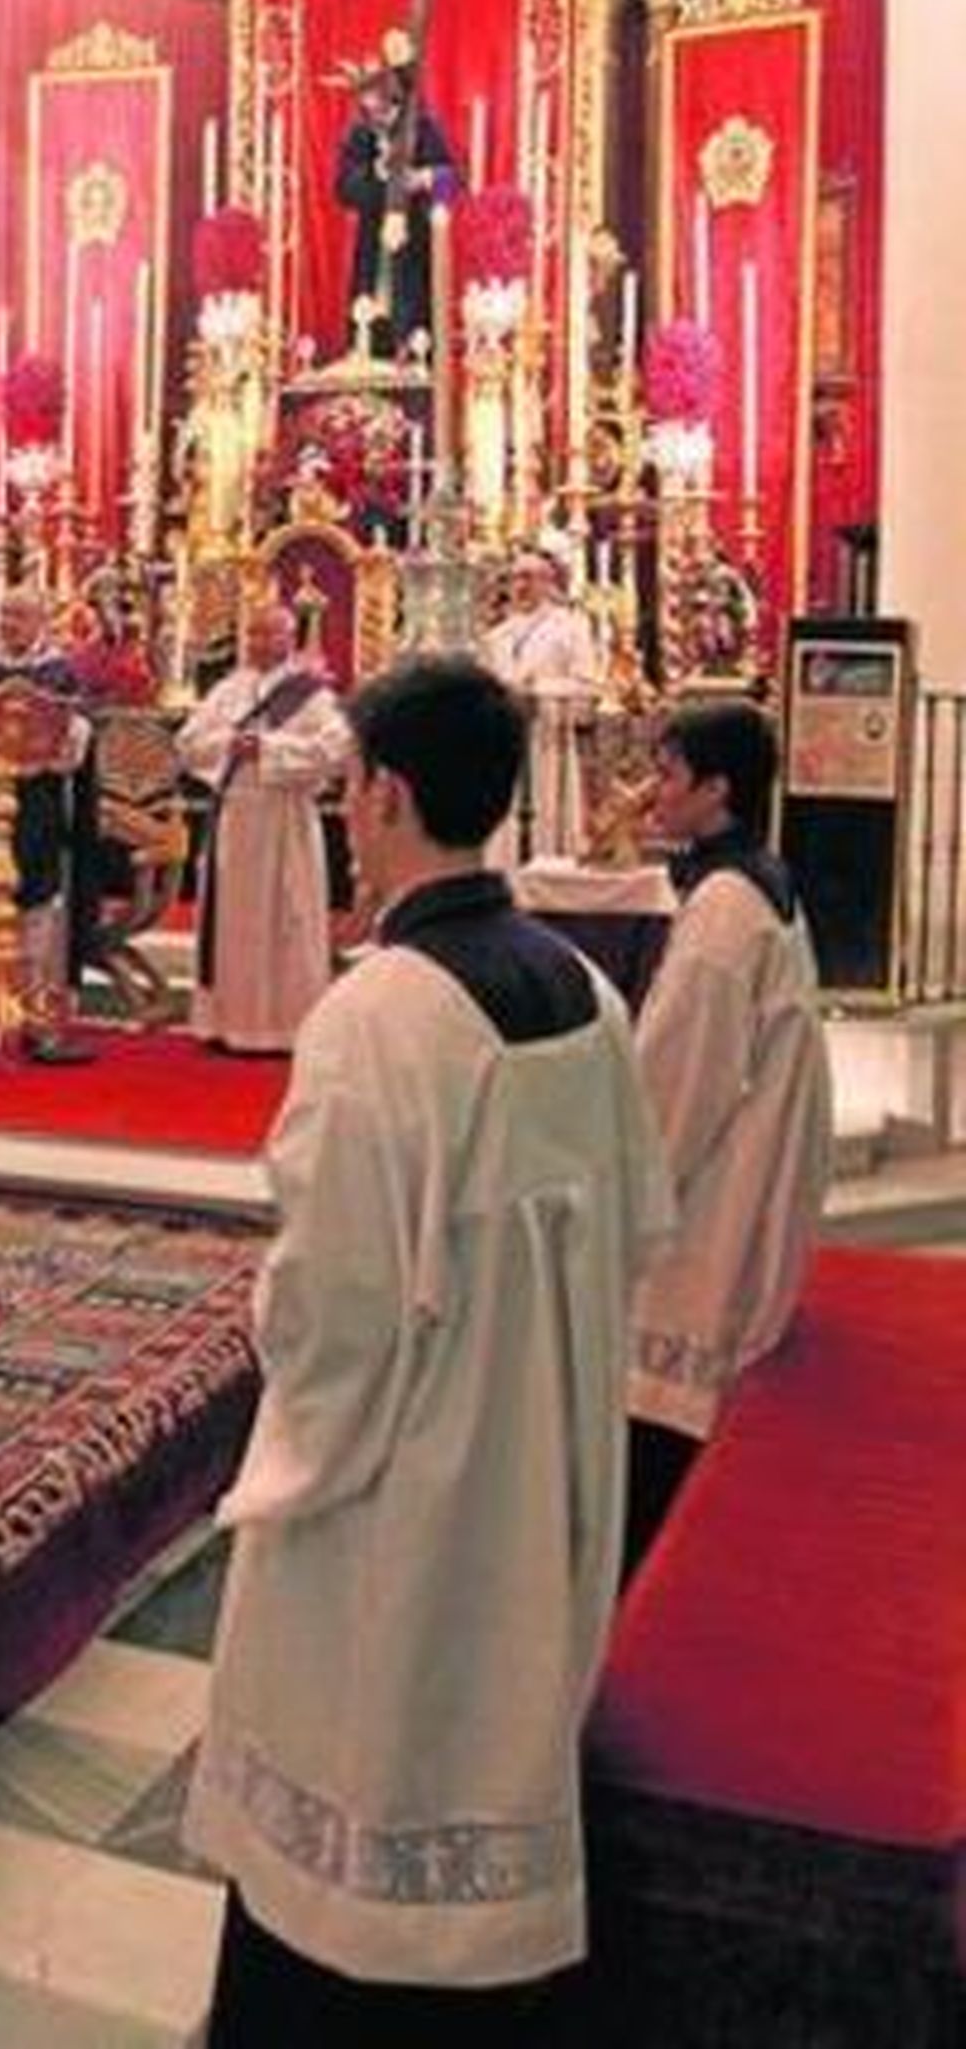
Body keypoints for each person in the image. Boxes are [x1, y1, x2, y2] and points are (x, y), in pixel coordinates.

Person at [185, 655, 672, 2048]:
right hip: (550, 1467)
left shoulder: (378, 1017)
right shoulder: (585, 990)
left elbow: (331, 1314)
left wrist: (282, 1466)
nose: (343, 814)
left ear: (385, 793)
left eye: (346, 789)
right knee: (500, 1723)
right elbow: (642, 1224)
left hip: (403, 1501)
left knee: (366, 1789)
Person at [622, 699, 834, 1581]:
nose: (651, 791)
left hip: (718, 1192)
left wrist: (623, 1191)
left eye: (669, 775)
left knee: (656, 1405)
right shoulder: (754, 881)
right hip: (753, 1156)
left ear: (716, 790)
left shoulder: (722, 909)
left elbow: (678, 1086)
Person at [179, 602, 351, 1054]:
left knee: (284, 919)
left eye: (268, 634)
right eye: (251, 633)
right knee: (233, 924)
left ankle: (283, 1026)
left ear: (289, 638)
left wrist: (269, 750)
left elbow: (336, 749)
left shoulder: (311, 693)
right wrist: (231, 745)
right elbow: (190, 744)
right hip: (235, 816)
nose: (257, 642)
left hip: (284, 818)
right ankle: (227, 1022)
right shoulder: (228, 689)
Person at [0, 583, 99, 1039]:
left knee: (34, 899)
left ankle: (34, 1004)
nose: (8, 625)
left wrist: (40, 720)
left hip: (36, 804)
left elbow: (77, 744)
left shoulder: (59, 675)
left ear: (41, 622)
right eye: (4, 615)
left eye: (19, 616)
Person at [334, 49, 461, 357]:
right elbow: (343, 189)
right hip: (373, 248)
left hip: (416, 246)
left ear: (397, 103)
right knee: (369, 327)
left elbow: (454, 180)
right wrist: (375, 175)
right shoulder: (360, 135)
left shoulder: (423, 128)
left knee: (416, 327)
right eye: (369, 113)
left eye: (383, 112)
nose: (377, 120)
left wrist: (423, 178)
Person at [482, 544, 601, 863]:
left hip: (549, 741)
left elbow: (588, 689)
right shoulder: (497, 636)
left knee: (547, 824)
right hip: (506, 743)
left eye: (530, 577)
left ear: (549, 583)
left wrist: (539, 692)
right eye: (514, 578)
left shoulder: (570, 628)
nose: (521, 586)